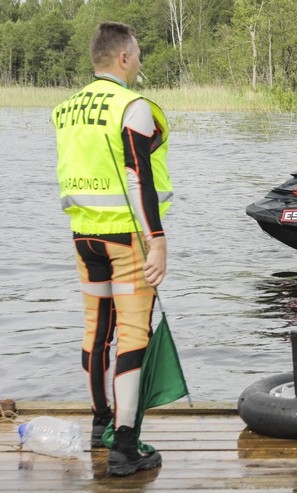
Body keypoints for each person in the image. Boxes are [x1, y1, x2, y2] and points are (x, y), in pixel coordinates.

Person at [52, 21, 172, 476]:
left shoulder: (67, 108)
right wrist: (156, 241)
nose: (140, 63)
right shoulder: (132, 106)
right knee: (133, 335)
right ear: (123, 58)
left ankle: (100, 423)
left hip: (84, 235)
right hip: (126, 237)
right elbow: (137, 177)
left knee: (95, 330)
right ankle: (125, 446)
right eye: (138, 55)